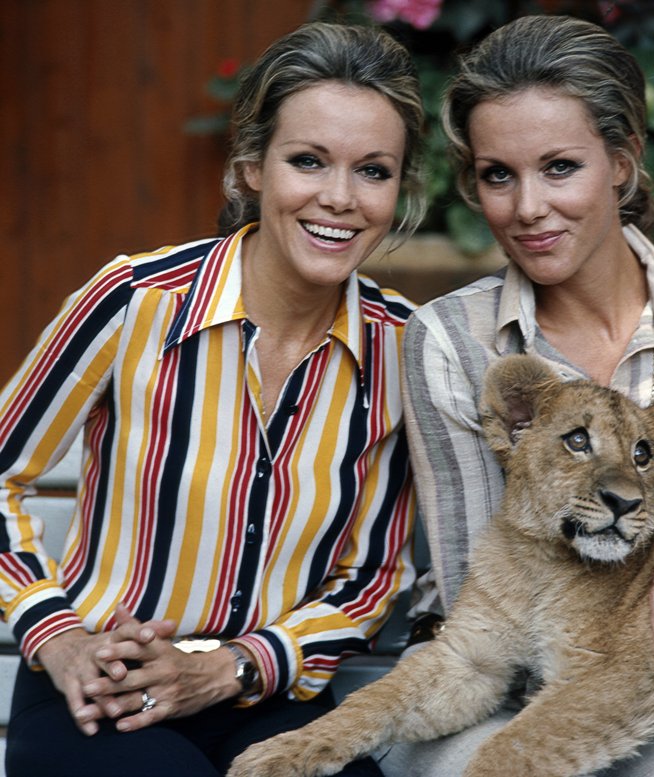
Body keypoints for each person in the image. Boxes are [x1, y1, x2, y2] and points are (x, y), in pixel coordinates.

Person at [386, 14, 654, 777]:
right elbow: (480, 619)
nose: (527, 208)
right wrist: (648, 684)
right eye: (498, 174)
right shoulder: (450, 338)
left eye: (559, 167)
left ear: (622, 161)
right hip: (492, 691)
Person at [0, 21, 425, 777]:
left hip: (266, 693)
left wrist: (232, 666)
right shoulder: (136, 300)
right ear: (252, 167)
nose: (339, 198)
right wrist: (58, 639)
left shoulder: (401, 348)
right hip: (101, 683)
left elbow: (368, 579)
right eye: (307, 160)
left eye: (373, 171)